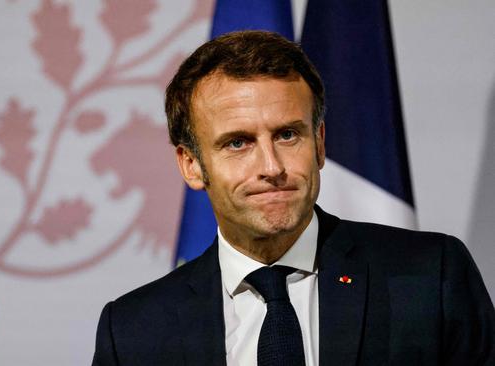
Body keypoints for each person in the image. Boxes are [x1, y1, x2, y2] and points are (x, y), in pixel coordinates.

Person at [92, 31, 495, 366]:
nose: (271, 166)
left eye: (287, 135)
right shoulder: (133, 332)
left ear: (319, 144)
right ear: (191, 165)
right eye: (237, 142)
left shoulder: (430, 277)